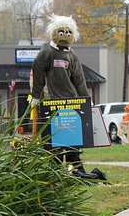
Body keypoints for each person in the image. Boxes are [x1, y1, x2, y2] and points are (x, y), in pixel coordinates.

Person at [31, 15, 105, 180]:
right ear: (54, 32)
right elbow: (38, 74)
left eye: (68, 32)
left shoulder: (72, 56)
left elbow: (79, 80)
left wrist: (87, 100)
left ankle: (77, 168)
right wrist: (35, 96)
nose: (65, 35)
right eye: (61, 31)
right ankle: (56, 170)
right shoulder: (47, 52)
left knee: (72, 137)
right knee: (55, 139)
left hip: (72, 103)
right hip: (52, 103)